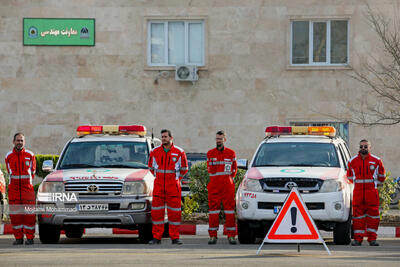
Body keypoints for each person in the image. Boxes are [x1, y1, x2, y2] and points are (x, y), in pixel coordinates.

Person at [148, 129, 188, 245]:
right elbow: (151, 168)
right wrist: (159, 178)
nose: (163, 139)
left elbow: (184, 169)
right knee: (157, 213)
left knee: (174, 214)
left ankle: (175, 238)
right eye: (162, 137)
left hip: (173, 187)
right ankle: (156, 238)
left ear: (171, 138)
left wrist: (176, 179)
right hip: (159, 186)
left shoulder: (179, 152)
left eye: (165, 136)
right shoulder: (155, 151)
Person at [347, 139, 386, 246]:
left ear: (370, 147)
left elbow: (382, 177)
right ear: (359, 148)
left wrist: (373, 185)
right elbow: (349, 177)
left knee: (373, 217)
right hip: (358, 193)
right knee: (357, 217)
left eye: (365, 146)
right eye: (361, 147)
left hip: (371, 193)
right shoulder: (352, 161)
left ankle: (372, 239)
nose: (363, 148)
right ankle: (357, 240)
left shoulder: (377, 161)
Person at [206, 130, 237, 245]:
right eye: (217, 139)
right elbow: (210, 170)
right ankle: (213, 236)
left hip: (227, 187)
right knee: (213, 212)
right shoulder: (210, 154)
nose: (218, 141)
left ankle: (231, 236)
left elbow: (234, 170)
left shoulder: (231, 153)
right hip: (214, 187)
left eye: (220, 139)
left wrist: (226, 180)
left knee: (229, 212)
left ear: (225, 139)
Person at [5, 133, 36, 245]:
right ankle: (18, 238)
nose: (20, 142)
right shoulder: (8, 156)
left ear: (24, 142)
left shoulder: (30, 155)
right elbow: (9, 172)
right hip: (14, 190)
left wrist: (25, 183)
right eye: (18, 140)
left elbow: (33, 172)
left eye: (22, 140)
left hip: (27, 189)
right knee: (15, 216)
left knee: (29, 215)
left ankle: (30, 238)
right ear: (13, 142)